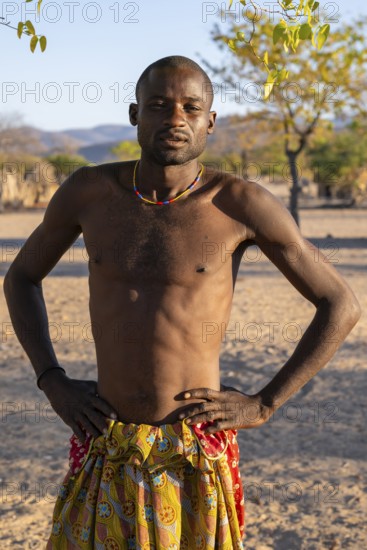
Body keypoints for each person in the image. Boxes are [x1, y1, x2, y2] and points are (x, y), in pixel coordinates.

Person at [4, 56, 360, 549]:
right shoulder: (89, 192)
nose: (175, 118)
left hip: (193, 450)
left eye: (191, 107)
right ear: (135, 114)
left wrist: (265, 402)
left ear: (209, 123)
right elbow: (21, 277)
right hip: (106, 442)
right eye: (159, 105)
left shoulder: (239, 203)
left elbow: (340, 303)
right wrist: (51, 380)